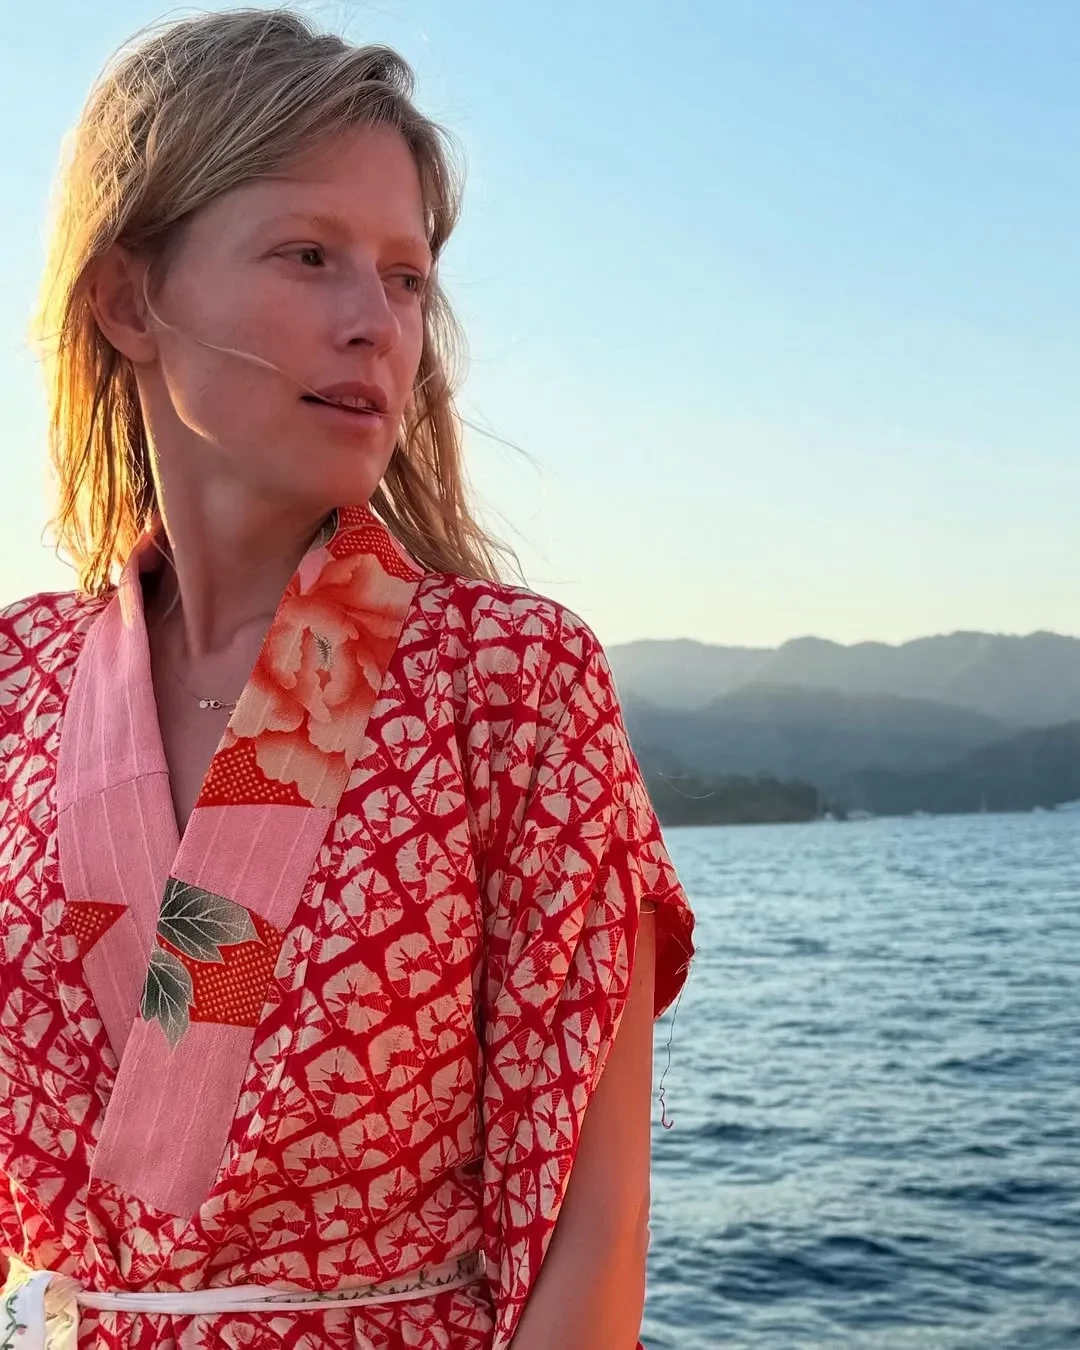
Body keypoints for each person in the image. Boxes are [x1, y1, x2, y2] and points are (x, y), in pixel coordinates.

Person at [0, 9, 694, 1349]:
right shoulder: (16, 686)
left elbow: (590, 1235)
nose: (376, 324)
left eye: (407, 277)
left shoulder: (510, 684)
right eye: (310, 254)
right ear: (128, 299)